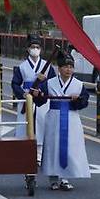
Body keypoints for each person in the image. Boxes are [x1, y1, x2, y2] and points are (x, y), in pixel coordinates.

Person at [31, 49, 89, 191]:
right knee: (53, 147)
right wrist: (38, 94)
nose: (68, 70)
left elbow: (84, 102)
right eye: (65, 67)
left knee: (70, 148)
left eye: (71, 67)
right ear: (59, 68)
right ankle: (53, 179)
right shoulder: (50, 83)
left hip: (71, 118)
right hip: (54, 118)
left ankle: (65, 178)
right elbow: (39, 101)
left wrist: (78, 99)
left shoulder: (78, 84)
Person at [11, 34, 56, 161]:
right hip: (27, 99)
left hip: (42, 100)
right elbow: (15, 83)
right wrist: (22, 94)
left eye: (37, 47)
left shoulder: (47, 66)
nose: (35, 49)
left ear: (41, 49)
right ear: (28, 49)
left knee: (41, 125)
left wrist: (42, 87)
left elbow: (53, 83)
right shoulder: (22, 66)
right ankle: (24, 153)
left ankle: (40, 154)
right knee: (24, 125)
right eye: (32, 47)